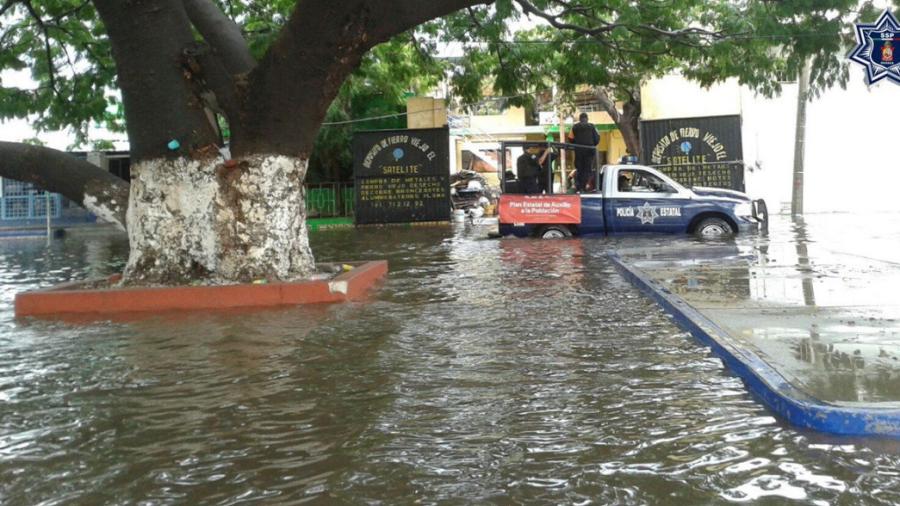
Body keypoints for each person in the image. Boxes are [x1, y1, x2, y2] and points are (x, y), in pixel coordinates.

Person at [567, 112, 600, 192]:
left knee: (580, 169)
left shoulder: (574, 127)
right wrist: (591, 144)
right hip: (589, 151)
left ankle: (580, 187)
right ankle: (586, 186)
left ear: (580, 119)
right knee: (587, 169)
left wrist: (577, 143)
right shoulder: (592, 126)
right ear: (587, 119)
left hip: (579, 151)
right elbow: (597, 139)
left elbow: (570, 138)